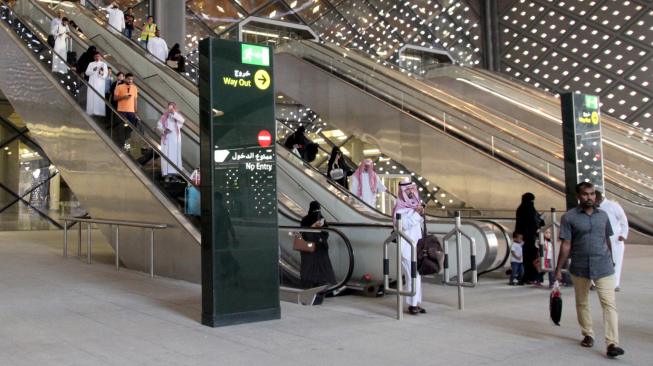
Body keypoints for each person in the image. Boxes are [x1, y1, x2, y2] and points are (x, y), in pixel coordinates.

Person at [555, 182, 624, 358]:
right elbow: (566, 244)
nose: (589, 197)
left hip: (603, 264)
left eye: (592, 194)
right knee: (582, 302)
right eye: (585, 194)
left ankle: (612, 344)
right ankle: (588, 333)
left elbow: (606, 240)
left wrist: (612, 260)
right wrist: (558, 268)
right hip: (580, 265)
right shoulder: (569, 218)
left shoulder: (603, 216)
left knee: (609, 304)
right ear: (578, 196)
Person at [393, 180, 425, 315]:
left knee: (417, 276)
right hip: (406, 248)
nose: (411, 193)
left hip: (417, 246)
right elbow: (403, 225)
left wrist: (419, 212)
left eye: (412, 189)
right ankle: (412, 305)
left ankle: (416, 302)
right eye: (407, 190)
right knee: (413, 276)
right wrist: (417, 214)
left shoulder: (415, 206)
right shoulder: (399, 209)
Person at [299, 201, 336, 305]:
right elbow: (304, 234)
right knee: (319, 270)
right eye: (316, 210)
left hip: (312, 251)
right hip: (315, 249)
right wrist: (316, 232)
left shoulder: (307, 219)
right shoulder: (310, 219)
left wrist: (319, 237)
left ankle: (317, 292)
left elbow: (325, 233)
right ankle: (316, 293)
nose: (317, 212)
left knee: (312, 270)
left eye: (318, 210)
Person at [597, 191, 628, 291]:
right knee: (599, 261)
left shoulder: (613, 206)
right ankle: (596, 283)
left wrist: (623, 234)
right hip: (600, 239)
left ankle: (615, 284)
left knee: (616, 261)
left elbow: (624, 220)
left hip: (615, 239)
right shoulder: (593, 208)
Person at [515, 192, 544, 286]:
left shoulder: (520, 209)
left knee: (526, 258)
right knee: (534, 257)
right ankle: (533, 277)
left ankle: (526, 277)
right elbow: (535, 223)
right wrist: (540, 221)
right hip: (532, 238)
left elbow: (519, 223)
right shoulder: (531, 209)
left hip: (524, 238)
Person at [156, 102, 185, 177]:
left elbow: (182, 121)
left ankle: (176, 173)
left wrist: (174, 113)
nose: (170, 109)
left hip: (175, 140)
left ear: (174, 108)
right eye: (169, 108)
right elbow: (159, 126)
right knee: (166, 156)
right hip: (166, 139)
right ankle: (166, 174)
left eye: (172, 108)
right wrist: (164, 130)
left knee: (175, 156)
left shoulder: (177, 116)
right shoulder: (164, 116)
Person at [113, 73, 139, 148]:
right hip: (121, 110)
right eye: (129, 79)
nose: (130, 81)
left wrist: (136, 112)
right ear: (125, 79)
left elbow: (135, 100)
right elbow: (115, 98)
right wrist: (123, 97)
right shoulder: (119, 87)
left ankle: (125, 140)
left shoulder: (134, 88)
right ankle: (121, 144)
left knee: (131, 127)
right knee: (120, 127)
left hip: (131, 111)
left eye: (132, 79)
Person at [84, 52, 108, 117]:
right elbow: (87, 73)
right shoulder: (91, 64)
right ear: (94, 57)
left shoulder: (103, 64)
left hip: (100, 83)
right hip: (92, 82)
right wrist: (93, 70)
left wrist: (101, 73)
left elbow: (105, 74)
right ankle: (90, 111)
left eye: (98, 56)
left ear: (100, 57)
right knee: (91, 95)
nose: (97, 57)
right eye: (96, 56)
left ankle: (99, 112)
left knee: (98, 96)